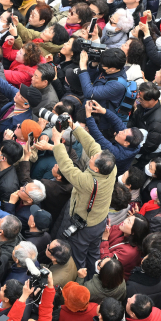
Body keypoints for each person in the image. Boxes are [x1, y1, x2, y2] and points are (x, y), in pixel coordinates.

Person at [52, 117, 116, 274]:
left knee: (78, 256)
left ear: (96, 169)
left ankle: (81, 279)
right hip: (99, 221)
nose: (91, 157)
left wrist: (57, 143)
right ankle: (95, 273)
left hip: (84, 226)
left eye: (92, 160)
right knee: (93, 252)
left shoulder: (87, 181)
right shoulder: (111, 169)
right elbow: (92, 145)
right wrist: (74, 126)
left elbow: (67, 168)